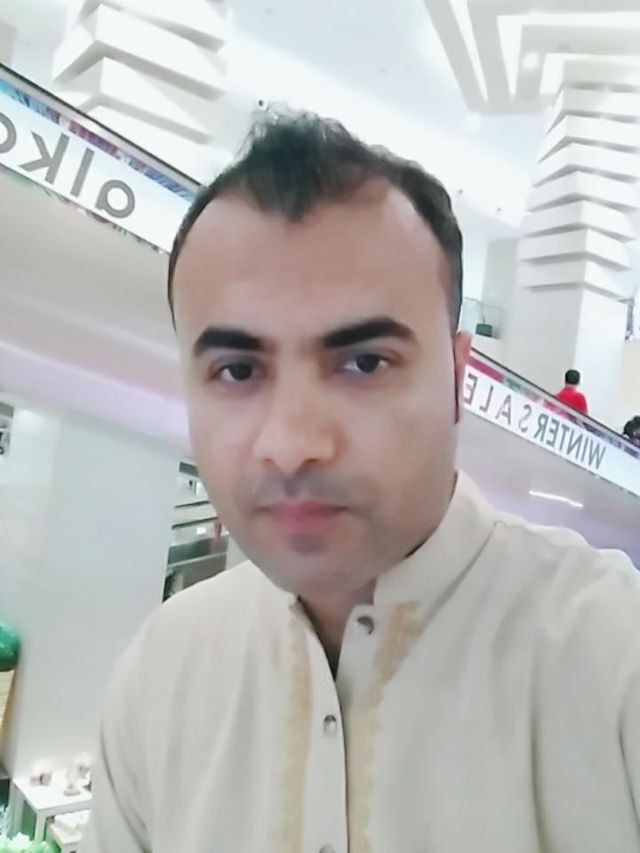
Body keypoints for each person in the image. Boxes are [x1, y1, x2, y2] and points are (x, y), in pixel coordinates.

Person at [84, 113, 640, 853]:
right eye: (238, 370)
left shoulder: (614, 655)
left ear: (458, 377)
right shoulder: (165, 668)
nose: (292, 446)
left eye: (365, 363)